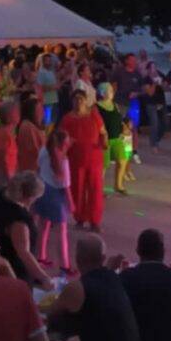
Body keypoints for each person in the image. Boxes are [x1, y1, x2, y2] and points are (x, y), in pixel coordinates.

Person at [0, 172, 52, 290]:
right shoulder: (19, 219)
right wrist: (44, 278)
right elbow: (23, 252)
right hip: (15, 270)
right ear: (29, 197)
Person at [62, 88, 107, 231]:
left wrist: (104, 143)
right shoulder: (67, 119)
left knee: (95, 190)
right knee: (78, 190)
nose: (78, 101)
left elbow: (103, 132)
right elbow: (61, 138)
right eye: (76, 99)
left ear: (86, 100)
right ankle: (80, 218)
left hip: (94, 158)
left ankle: (95, 221)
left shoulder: (94, 116)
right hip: (76, 160)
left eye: (81, 98)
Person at [34, 128, 74, 275]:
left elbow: (38, 167)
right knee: (61, 232)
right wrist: (71, 203)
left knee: (43, 226)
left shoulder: (44, 151)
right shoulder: (63, 161)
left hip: (43, 190)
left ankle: (41, 257)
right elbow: (66, 185)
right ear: (63, 144)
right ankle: (65, 265)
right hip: (56, 195)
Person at [96, 83, 132, 195]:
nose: (112, 92)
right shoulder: (96, 107)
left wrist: (124, 127)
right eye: (109, 90)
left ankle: (118, 185)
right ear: (103, 92)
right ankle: (99, 189)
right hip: (104, 140)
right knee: (103, 166)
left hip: (117, 138)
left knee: (122, 160)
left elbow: (119, 119)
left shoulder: (114, 105)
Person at [15, 97, 44, 176]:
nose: (42, 113)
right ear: (31, 112)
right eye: (38, 110)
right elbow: (36, 151)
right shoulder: (28, 127)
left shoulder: (28, 126)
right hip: (32, 171)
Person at [36, 54, 58, 126]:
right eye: (47, 61)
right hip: (46, 101)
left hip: (53, 99)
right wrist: (53, 87)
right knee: (47, 121)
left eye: (50, 60)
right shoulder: (42, 73)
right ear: (43, 62)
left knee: (51, 121)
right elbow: (40, 87)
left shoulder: (51, 72)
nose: (50, 62)